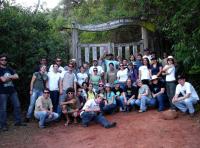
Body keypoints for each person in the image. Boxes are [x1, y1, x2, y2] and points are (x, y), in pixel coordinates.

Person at [0, 54, 26, 131]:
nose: (4, 61)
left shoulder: (9, 68)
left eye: (5, 59)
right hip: (2, 92)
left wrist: (8, 77)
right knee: (3, 109)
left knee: (17, 105)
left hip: (12, 91)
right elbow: (3, 80)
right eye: (2, 59)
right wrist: (11, 76)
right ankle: (3, 125)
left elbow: (17, 76)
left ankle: (18, 121)